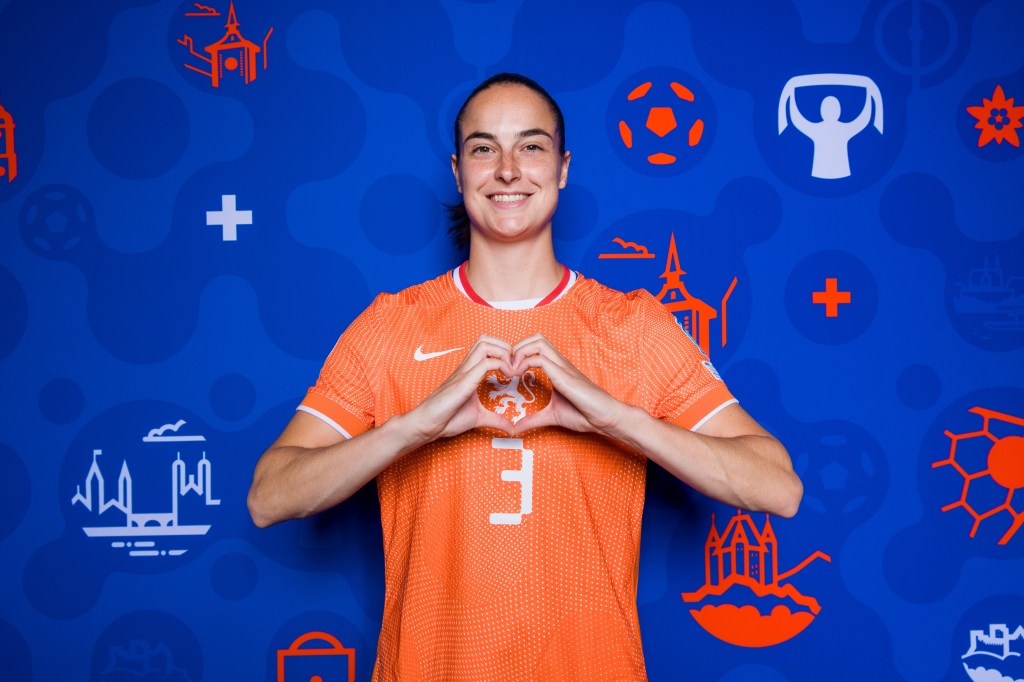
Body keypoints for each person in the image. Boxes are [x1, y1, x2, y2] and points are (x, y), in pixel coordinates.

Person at [248, 72, 802, 681]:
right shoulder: (390, 326)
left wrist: (615, 417)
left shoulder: (634, 327)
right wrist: (411, 429)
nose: (508, 169)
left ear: (562, 168)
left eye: (531, 146)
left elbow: (778, 487)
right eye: (485, 148)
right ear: (459, 172)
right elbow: (269, 497)